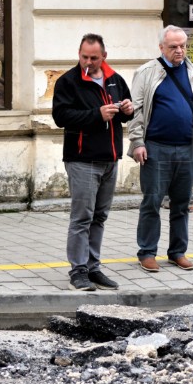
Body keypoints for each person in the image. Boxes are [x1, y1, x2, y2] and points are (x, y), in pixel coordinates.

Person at [128, 25, 193, 272]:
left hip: (187, 148)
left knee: (181, 203)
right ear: (161, 47)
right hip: (156, 148)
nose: (180, 51)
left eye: (183, 46)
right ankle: (147, 253)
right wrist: (137, 143)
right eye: (174, 47)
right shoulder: (146, 72)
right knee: (152, 202)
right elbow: (135, 112)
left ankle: (177, 252)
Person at [52, 33, 133, 291]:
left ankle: (93, 267)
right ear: (79, 54)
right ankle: (78, 270)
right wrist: (96, 115)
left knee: (99, 216)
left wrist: (128, 111)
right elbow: (61, 116)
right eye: (84, 56)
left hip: (110, 158)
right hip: (82, 159)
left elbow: (123, 115)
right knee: (82, 217)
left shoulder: (115, 80)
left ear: (104, 56)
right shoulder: (68, 81)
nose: (88, 62)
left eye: (94, 57)